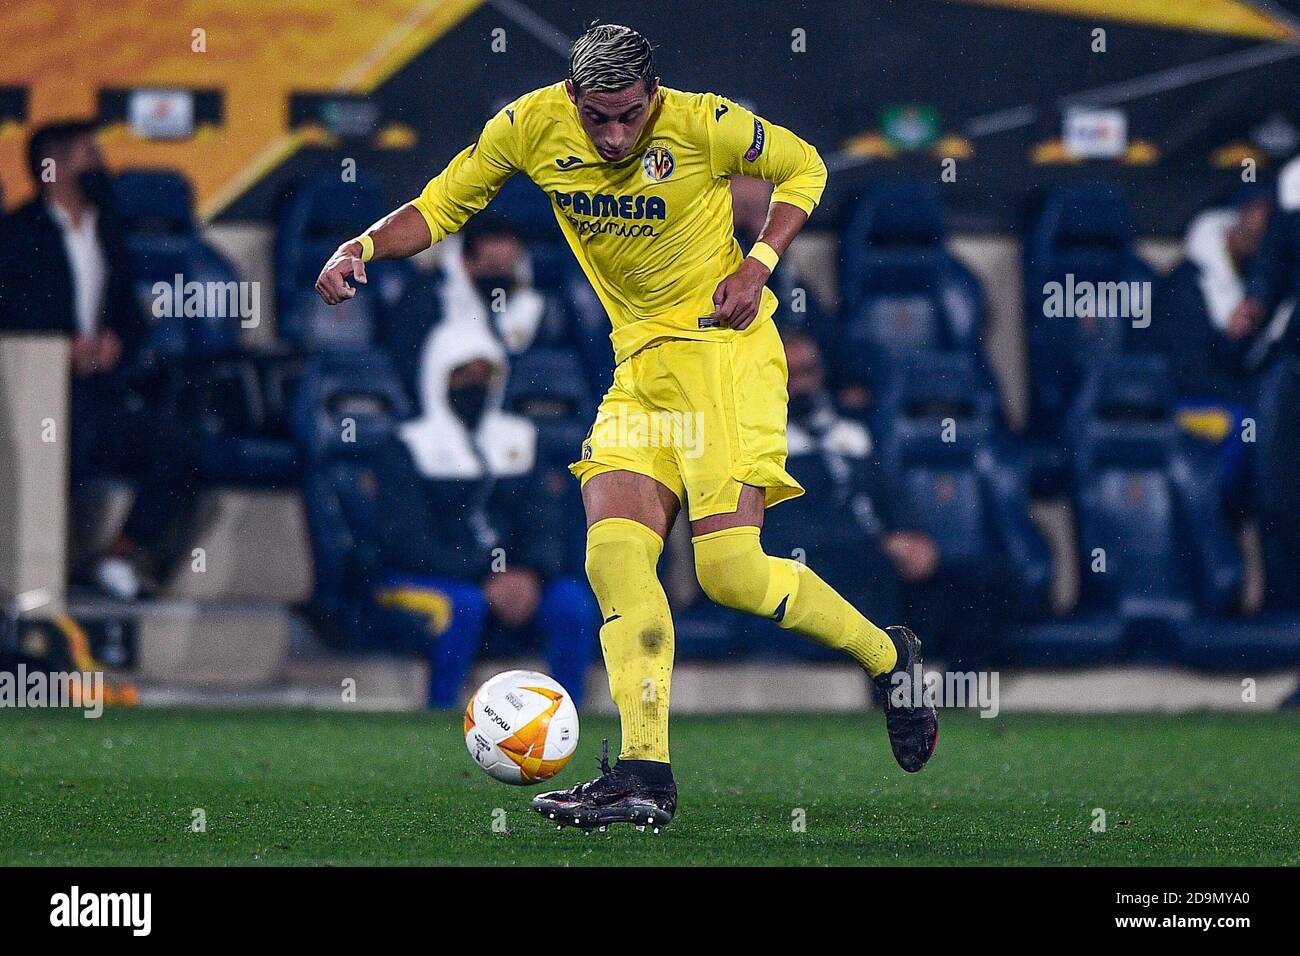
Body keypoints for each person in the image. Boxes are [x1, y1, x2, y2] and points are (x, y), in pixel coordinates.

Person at [316, 24, 937, 832]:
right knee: (613, 558)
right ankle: (645, 776)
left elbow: (804, 167)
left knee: (730, 576)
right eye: (598, 118)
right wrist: (361, 245)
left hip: (724, 358)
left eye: (629, 117)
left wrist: (759, 264)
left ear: (654, 96)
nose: (614, 136)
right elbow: (440, 205)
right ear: (571, 97)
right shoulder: (530, 124)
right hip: (639, 370)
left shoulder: (704, 122)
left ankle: (890, 660)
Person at [0, 121, 199, 599]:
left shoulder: (107, 233)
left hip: (99, 394)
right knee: (58, 452)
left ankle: (119, 557)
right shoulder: (16, 233)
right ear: (53, 167)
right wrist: (60, 349)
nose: (100, 165)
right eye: (89, 154)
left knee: (179, 446)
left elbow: (129, 316)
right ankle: (35, 584)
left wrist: (115, 343)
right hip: (35, 400)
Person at [372, 317, 598, 707]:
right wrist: (483, 575)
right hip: (429, 580)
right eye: (462, 374)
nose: (474, 385)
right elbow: (406, 541)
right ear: (437, 375)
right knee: (463, 605)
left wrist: (531, 573)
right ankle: (439, 717)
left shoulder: (521, 440)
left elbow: (546, 523)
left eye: (484, 374)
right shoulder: (407, 446)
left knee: (571, 603)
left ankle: (565, 718)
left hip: (514, 579)